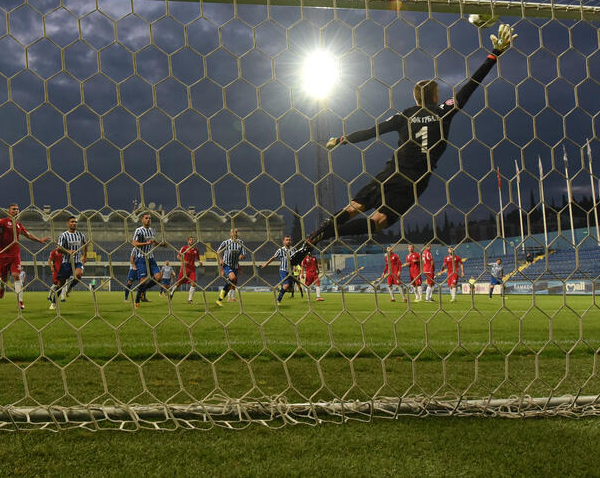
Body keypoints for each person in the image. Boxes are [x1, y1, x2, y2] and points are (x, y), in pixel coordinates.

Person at [293, 23, 517, 256]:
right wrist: (495, 54)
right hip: (414, 181)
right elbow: (471, 85)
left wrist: (342, 139)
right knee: (378, 222)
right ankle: (328, 236)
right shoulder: (443, 111)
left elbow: (373, 131)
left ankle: (318, 234)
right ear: (435, 95)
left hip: (391, 172)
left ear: (416, 98)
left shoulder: (405, 115)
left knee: (355, 207)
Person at [0, 203, 49, 311]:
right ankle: (2, 287)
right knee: (4, 279)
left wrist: (39, 240)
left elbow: (28, 235)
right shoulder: (3, 221)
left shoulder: (19, 225)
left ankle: (20, 301)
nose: (16, 211)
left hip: (15, 254)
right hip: (2, 254)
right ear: (8, 211)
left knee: (16, 275)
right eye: (14, 209)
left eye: (17, 209)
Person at [130, 212, 163, 307]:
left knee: (158, 278)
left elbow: (153, 242)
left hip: (151, 258)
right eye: (146, 218)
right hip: (141, 258)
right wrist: (146, 243)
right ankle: (137, 301)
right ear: (142, 220)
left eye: (149, 218)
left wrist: (160, 244)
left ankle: (143, 289)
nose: (148, 219)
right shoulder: (139, 230)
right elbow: (134, 243)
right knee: (143, 281)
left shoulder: (152, 230)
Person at [56, 216, 87, 301]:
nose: (74, 223)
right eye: (72, 222)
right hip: (66, 262)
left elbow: (85, 244)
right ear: (68, 223)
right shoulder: (64, 235)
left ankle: (70, 288)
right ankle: (54, 301)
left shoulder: (80, 235)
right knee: (61, 283)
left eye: (76, 222)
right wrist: (68, 251)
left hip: (77, 261)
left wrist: (85, 256)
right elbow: (58, 249)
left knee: (79, 274)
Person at [215, 229, 247, 307]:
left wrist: (242, 256)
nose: (235, 233)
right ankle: (223, 298)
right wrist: (220, 260)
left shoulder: (241, 242)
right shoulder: (226, 242)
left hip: (235, 266)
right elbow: (218, 251)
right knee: (232, 278)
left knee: (232, 282)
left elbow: (244, 254)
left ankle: (220, 299)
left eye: (236, 232)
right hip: (227, 264)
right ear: (230, 234)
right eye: (233, 232)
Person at [263, 235, 296, 303]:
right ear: (283, 242)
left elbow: (296, 258)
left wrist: (295, 266)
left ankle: (283, 288)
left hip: (290, 271)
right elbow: (273, 257)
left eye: (289, 240)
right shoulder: (280, 250)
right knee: (286, 285)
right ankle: (278, 300)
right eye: (286, 240)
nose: (288, 241)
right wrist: (266, 264)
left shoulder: (293, 249)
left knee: (290, 289)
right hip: (283, 270)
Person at [169, 236, 200, 302]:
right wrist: (183, 261)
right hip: (184, 269)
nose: (192, 241)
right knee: (178, 284)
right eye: (190, 240)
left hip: (192, 269)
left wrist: (200, 262)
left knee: (193, 283)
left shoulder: (196, 250)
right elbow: (178, 256)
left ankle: (190, 299)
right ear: (188, 241)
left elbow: (198, 259)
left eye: (192, 240)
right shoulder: (184, 248)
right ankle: (171, 293)